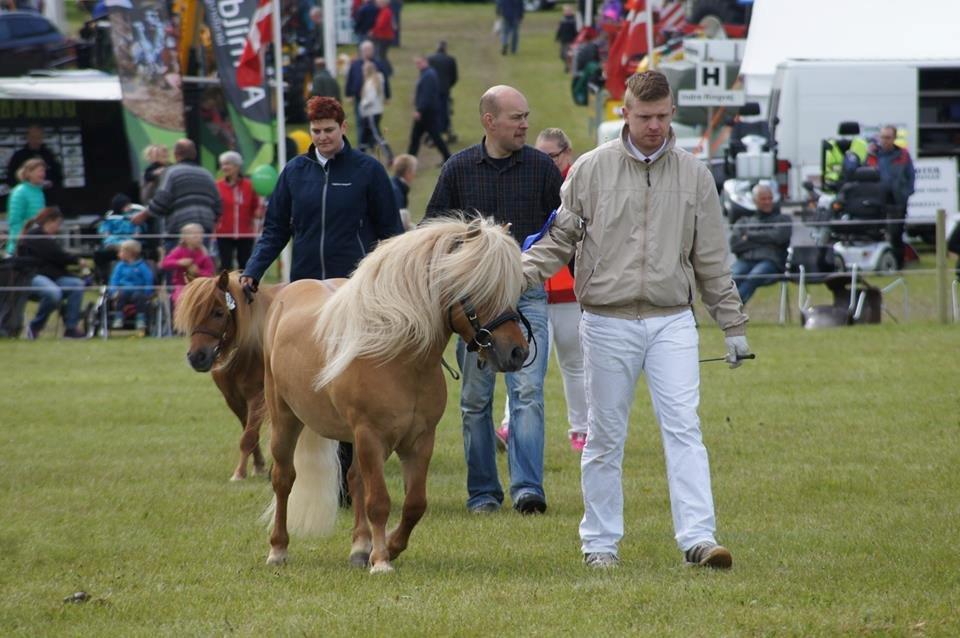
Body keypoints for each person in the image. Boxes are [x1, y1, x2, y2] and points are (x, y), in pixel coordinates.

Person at [522, 71, 750, 568]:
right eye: (645, 116)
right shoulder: (589, 170)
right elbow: (559, 240)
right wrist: (513, 276)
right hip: (605, 319)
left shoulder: (695, 175)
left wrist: (732, 326)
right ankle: (600, 544)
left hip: (673, 320)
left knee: (685, 429)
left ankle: (699, 539)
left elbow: (711, 258)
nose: (655, 126)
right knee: (604, 436)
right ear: (624, 113)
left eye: (664, 117)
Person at [240, 96, 403, 504]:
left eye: (329, 130)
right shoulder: (295, 172)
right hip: (307, 295)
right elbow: (276, 229)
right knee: (309, 381)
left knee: (353, 385)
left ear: (343, 127)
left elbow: (389, 234)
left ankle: (354, 481)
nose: (323, 137)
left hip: (355, 291)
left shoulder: (368, 170)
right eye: (316, 131)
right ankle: (313, 477)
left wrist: (393, 283)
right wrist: (253, 271)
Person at [424, 85, 562, 515]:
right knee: (475, 400)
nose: (524, 124)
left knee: (528, 394)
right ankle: (483, 493)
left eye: (525, 116)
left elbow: (561, 229)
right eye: (516, 117)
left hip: (528, 297)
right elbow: (432, 231)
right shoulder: (458, 169)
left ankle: (527, 490)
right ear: (489, 121)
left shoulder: (542, 169)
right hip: (476, 310)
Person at [15, 207, 88, 340]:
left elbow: (55, 260)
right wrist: (77, 260)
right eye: (58, 224)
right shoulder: (35, 236)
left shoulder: (47, 238)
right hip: (32, 277)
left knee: (76, 284)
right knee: (53, 293)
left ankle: (71, 329)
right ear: (50, 221)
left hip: (51, 277)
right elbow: (57, 255)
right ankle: (35, 327)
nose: (58, 227)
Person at [146, 139, 221, 251]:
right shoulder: (207, 174)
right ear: (195, 155)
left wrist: (144, 214)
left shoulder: (171, 172)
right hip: (203, 232)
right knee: (201, 266)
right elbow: (218, 206)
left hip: (178, 231)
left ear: (176, 155)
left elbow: (161, 201)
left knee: (176, 266)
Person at [730, 183, 792, 304]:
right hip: (745, 261)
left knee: (754, 276)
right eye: (763, 199)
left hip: (770, 262)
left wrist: (749, 237)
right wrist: (767, 240)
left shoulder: (782, 220)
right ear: (755, 201)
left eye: (770, 198)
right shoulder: (744, 221)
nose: (768, 202)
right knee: (731, 279)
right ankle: (726, 309)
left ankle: (732, 310)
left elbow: (779, 238)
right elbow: (734, 244)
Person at [867, 125, 915, 269]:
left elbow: (910, 177)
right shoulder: (873, 155)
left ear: (894, 138)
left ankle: (898, 264)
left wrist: (905, 195)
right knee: (874, 232)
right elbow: (864, 174)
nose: (884, 140)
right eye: (882, 137)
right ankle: (878, 263)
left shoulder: (903, 155)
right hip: (877, 201)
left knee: (896, 233)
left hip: (897, 201)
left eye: (888, 137)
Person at [214, 151, 262, 271]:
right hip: (224, 233)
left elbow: (256, 206)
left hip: (245, 233)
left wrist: (258, 212)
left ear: (237, 166)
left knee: (245, 266)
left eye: (228, 164)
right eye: (223, 164)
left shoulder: (249, 185)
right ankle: (225, 289)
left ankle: (243, 289)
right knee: (225, 266)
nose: (224, 167)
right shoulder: (217, 186)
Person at [407, 55, 451, 162]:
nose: (418, 65)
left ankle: (408, 161)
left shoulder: (428, 75)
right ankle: (409, 160)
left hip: (426, 113)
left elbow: (427, 95)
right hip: (428, 112)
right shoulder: (427, 74)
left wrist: (419, 110)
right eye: (416, 63)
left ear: (425, 61)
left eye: (420, 62)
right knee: (427, 137)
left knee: (420, 137)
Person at [94, 193, 145, 283]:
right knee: (110, 241)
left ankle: (121, 247)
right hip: (114, 238)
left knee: (131, 243)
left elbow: (138, 230)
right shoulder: (110, 218)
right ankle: (118, 247)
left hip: (129, 238)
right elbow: (105, 230)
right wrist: (106, 234)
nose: (130, 207)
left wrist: (137, 233)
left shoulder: (133, 218)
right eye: (127, 205)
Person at [161, 223, 214, 306]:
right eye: (195, 235)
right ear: (184, 238)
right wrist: (179, 262)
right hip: (181, 286)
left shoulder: (204, 254)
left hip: (200, 286)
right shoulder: (179, 250)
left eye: (200, 235)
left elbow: (210, 274)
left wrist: (198, 272)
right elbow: (165, 263)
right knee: (180, 299)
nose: (199, 238)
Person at [107, 239, 154, 333]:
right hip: (123, 290)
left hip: (138, 291)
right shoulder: (120, 266)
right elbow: (114, 279)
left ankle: (141, 318)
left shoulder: (141, 266)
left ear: (129, 253)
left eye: (121, 251)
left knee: (139, 297)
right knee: (121, 296)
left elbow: (149, 279)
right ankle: (118, 317)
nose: (118, 254)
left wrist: (148, 292)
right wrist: (113, 291)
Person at [4, 158, 46, 255]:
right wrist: (20, 242)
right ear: (28, 173)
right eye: (40, 171)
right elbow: (15, 221)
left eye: (44, 171)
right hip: (21, 245)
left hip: (36, 242)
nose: (43, 174)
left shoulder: (39, 191)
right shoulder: (19, 192)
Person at [344, 41, 392, 126]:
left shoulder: (378, 64)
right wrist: (349, 94)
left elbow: (384, 81)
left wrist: (387, 96)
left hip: (373, 99)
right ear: (361, 51)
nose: (367, 52)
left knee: (373, 124)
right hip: (359, 98)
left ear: (373, 51)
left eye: (369, 49)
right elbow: (350, 80)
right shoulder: (355, 64)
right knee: (360, 123)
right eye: (365, 50)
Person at [5, 124, 62, 192]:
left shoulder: (49, 155)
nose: (35, 140)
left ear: (42, 138)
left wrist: (51, 185)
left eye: (38, 137)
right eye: (33, 137)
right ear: (28, 137)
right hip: (25, 195)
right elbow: (11, 178)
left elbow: (58, 177)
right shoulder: (19, 156)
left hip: (47, 195)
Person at [428, 40, 458, 141]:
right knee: (445, 111)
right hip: (445, 90)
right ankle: (446, 131)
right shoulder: (450, 59)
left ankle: (433, 133)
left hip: (433, 90)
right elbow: (454, 77)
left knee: (434, 112)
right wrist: (448, 85)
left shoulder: (430, 59)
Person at [358, 60, 388, 155]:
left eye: (364, 70)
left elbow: (371, 98)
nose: (363, 72)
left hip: (371, 113)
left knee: (376, 135)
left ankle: (389, 155)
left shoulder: (371, 82)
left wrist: (362, 104)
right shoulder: (377, 80)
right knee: (365, 136)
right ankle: (364, 155)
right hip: (374, 112)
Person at [390, 153, 417, 231]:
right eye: (414, 170)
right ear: (408, 172)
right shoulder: (396, 191)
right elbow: (401, 221)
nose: (414, 174)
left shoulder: (394, 184)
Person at [369, 0, 395, 76]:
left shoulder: (386, 12)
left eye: (378, 2)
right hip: (384, 36)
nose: (376, 3)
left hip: (384, 37)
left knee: (381, 55)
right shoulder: (384, 11)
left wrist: (373, 31)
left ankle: (387, 71)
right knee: (382, 55)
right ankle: (388, 70)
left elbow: (381, 25)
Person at [555, 4, 578, 72]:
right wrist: (557, 38)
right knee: (562, 55)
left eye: (568, 10)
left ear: (571, 11)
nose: (567, 12)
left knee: (568, 54)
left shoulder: (574, 20)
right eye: (565, 10)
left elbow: (576, 31)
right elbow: (559, 30)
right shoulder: (562, 20)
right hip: (563, 40)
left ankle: (568, 67)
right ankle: (567, 65)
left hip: (571, 40)